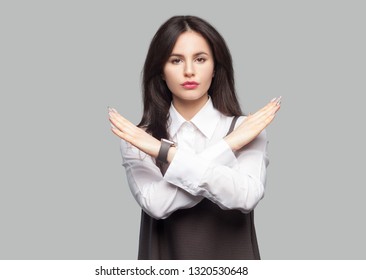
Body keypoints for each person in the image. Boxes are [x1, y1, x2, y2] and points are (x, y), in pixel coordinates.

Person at [108, 15, 281, 260]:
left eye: (200, 59)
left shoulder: (247, 128)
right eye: (176, 60)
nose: (189, 71)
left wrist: (165, 153)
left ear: (215, 68)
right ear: (161, 72)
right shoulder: (139, 138)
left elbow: (245, 196)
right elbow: (156, 205)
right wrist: (228, 146)